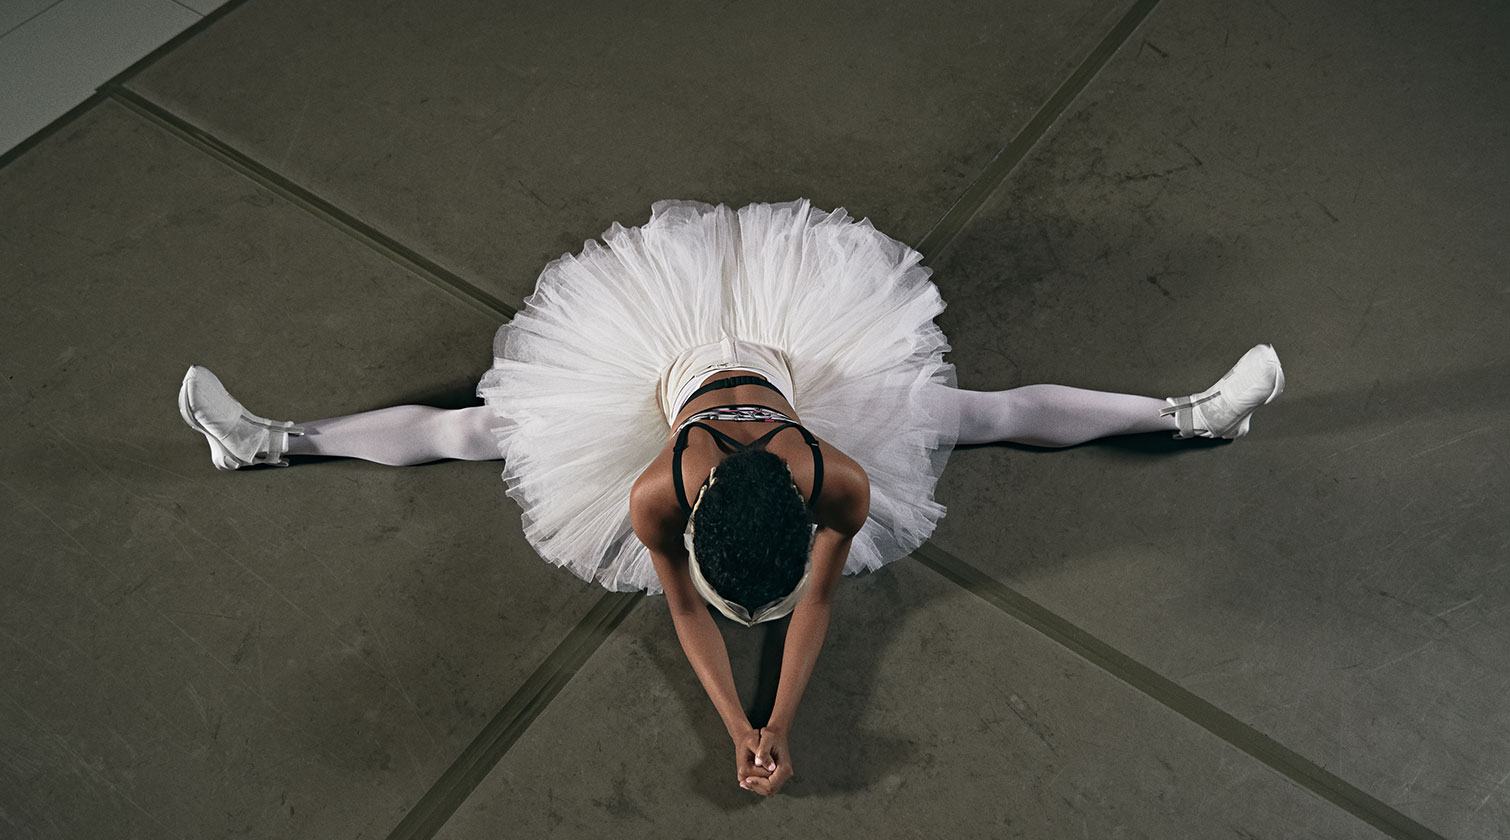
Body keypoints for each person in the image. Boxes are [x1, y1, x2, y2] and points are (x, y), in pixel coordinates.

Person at [177, 198, 1285, 797]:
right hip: (680, 372)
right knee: (470, 428)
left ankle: (1197, 414)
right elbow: (688, 612)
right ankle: (267, 442)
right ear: (698, 515)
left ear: (801, 511)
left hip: (780, 369)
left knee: (983, 413)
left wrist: (767, 724)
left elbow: (812, 602)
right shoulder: (655, 490)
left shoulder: (836, 475)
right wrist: (752, 723)